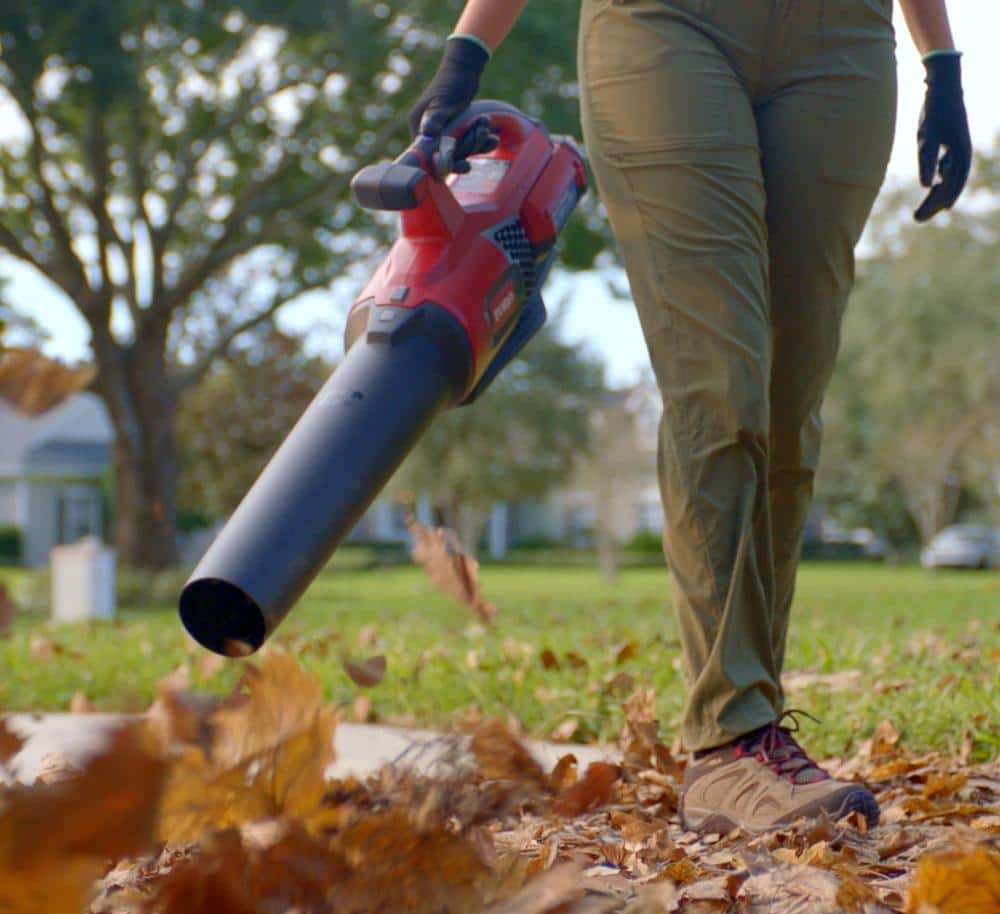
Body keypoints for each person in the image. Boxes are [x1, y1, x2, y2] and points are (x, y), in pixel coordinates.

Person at [407, 0, 971, 835]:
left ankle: (760, 731)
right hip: (667, 25)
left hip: (843, 42)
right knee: (720, 380)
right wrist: (465, 53)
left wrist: (944, 65)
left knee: (789, 397)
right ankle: (728, 738)